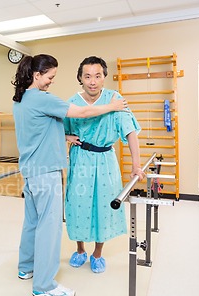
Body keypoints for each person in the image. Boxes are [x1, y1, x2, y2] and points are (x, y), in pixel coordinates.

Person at [12, 54, 129, 296]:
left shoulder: (20, 99)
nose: (51, 82)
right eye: (50, 77)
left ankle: (26, 267)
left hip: (30, 172)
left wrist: (64, 137)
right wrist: (112, 106)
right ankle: (44, 285)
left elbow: (36, 130)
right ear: (37, 75)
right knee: (49, 227)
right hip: (46, 172)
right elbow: (83, 112)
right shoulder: (42, 99)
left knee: (32, 222)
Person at [64, 56, 145, 273]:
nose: (92, 81)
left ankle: (97, 253)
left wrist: (136, 165)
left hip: (106, 160)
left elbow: (130, 132)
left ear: (104, 77)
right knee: (77, 204)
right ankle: (80, 249)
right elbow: (60, 129)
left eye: (97, 76)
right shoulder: (72, 101)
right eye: (87, 76)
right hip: (81, 158)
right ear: (80, 78)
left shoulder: (115, 98)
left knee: (104, 205)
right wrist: (67, 137)